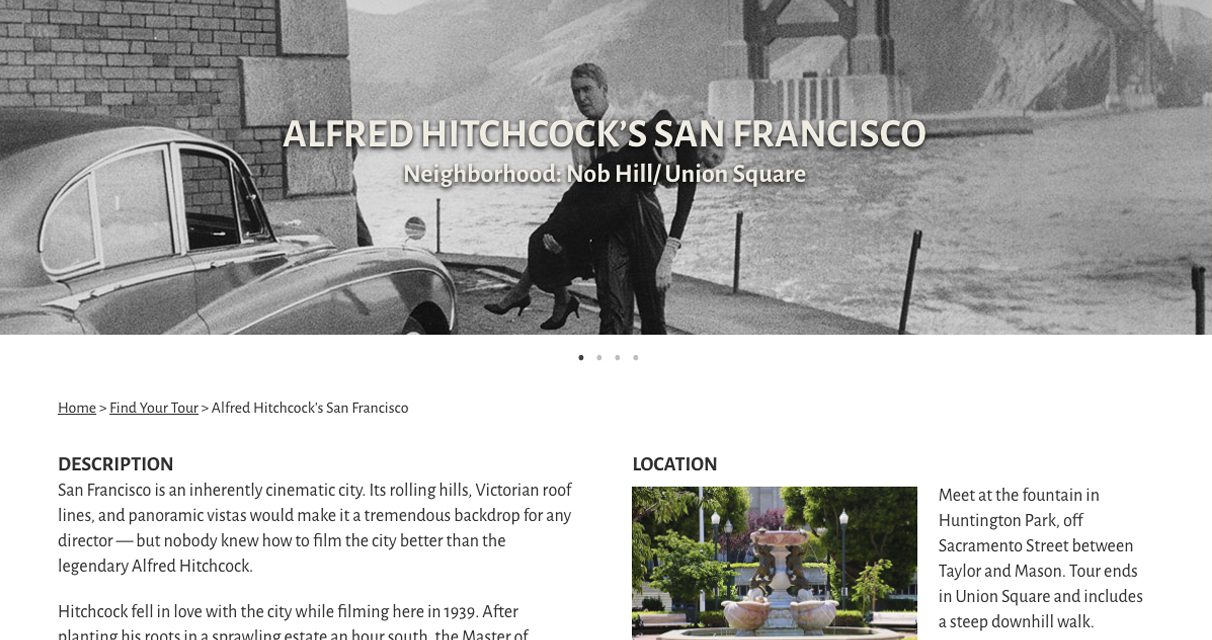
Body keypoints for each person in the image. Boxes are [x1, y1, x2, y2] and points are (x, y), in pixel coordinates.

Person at [486, 110, 724, 333]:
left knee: (550, 236)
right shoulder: (679, 141)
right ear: (704, 141)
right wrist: (667, 144)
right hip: (606, 184)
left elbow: (679, 191)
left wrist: (666, 258)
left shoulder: (682, 157)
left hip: (607, 187)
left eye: (708, 167)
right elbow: (663, 123)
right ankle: (546, 296)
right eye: (709, 159)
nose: (704, 168)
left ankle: (545, 296)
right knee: (548, 236)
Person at [485, 63, 627, 329]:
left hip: (618, 222)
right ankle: (556, 298)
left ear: (604, 90)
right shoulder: (580, 135)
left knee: (614, 303)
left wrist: (570, 233)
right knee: (543, 241)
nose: (582, 98)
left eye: (587, 90)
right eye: (576, 92)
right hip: (589, 211)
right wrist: (571, 232)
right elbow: (583, 186)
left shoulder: (628, 128)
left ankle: (532, 293)